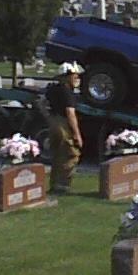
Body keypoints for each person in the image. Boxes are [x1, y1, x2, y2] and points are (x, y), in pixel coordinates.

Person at [46, 62, 84, 194]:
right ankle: (62, 185)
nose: (77, 78)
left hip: (53, 122)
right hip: (63, 124)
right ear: (66, 76)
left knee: (57, 155)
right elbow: (70, 114)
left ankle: (55, 184)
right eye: (74, 76)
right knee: (71, 154)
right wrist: (77, 135)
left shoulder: (54, 89)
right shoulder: (67, 92)